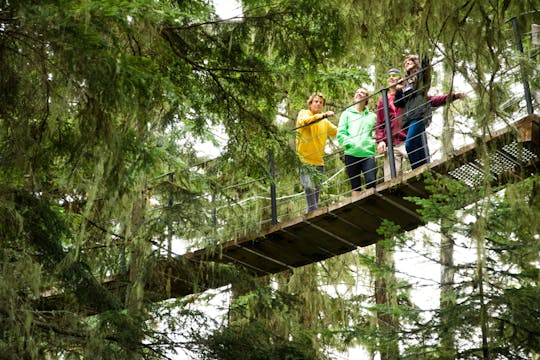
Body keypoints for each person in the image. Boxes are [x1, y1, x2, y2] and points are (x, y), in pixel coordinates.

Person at [394, 55, 464, 169]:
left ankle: (417, 171)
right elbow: (398, 103)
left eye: (410, 61)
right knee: (418, 148)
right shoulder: (404, 83)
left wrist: (424, 52)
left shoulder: (422, 79)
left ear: (416, 63)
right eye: (405, 62)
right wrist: (398, 90)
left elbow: (426, 68)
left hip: (419, 116)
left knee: (409, 145)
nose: (406, 63)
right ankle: (424, 170)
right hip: (407, 121)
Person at [296, 93, 337, 213]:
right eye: (316, 101)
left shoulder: (324, 122)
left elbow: (337, 132)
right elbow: (306, 122)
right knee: (308, 187)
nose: (318, 104)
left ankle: (312, 214)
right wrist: (323, 115)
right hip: (305, 160)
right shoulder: (303, 113)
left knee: (316, 192)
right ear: (310, 104)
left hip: (319, 162)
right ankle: (315, 212)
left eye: (321, 102)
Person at [337, 87, 377, 197]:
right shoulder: (346, 114)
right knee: (356, 186)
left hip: (367, 153)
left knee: (371, 180)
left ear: (367, 98)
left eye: (362, 92)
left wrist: (375, 142)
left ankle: (372, 205)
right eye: (357, 92)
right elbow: (340, 133)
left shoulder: (373, 116)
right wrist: (351, 144)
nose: (358, 93)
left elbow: (378, 132)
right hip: (351, 153)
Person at [375, 68, 407, 181]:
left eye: (395, 75)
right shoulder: (382, 100)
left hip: (407, 138)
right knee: (390, 180)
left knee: (420, 165)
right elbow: (379, 123)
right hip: (391, 143)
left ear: (400, 78)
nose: (392, 78)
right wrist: (380, 141)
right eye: (390, 76)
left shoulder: (407, 92)